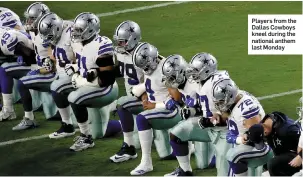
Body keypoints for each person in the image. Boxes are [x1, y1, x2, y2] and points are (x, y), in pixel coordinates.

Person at [50, 12, 120, 151]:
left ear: (90, 30)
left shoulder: (101, 44)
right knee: (56, 87)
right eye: (76, 29)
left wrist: (81, 81)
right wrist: (75, 67)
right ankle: (67, 126)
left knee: (75, 98)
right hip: (88, 82)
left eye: (80, 30)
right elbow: (85, 64)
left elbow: (107, 79)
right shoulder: (79, 42)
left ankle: (86, 137)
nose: (75, 32)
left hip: (105, 89)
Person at [163, 53, 231, 176]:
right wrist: (192, 111)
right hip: (209, 125)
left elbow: (228, 111)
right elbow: (203, 107)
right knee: (176, 134)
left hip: (224, 129)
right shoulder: (201, 82)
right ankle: (185, 171)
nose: (192, 75)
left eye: (196, 71)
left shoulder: (216, 85)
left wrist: (208, 119)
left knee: (224, 171)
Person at [129, 42, 183, 175]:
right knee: (165, 155)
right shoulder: (150, 66)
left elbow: (177, 99)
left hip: (170, 110)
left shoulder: (165, 68)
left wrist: (155, 105)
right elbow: (149, 86)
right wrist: (144, 98)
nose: (144, 68)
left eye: (145, 65)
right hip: (155, 108)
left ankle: (146, 162)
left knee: (142, 118)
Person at [211, 78, 273, 176]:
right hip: (242, 146)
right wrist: (218, 115)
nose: (219, 105)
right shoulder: (236, 97)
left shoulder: (247, 110)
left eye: (221, 102)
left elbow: (255, 138)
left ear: (229, 97)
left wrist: (238, 139)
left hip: (255, 148)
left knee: (233, 156)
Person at [259, 111, 302, 176]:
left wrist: (300, 156)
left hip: (298, 155)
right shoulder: (265, 123)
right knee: (262, 158)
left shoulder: (290, 129)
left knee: (273, 164)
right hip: (285, 151)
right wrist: (246, 135)